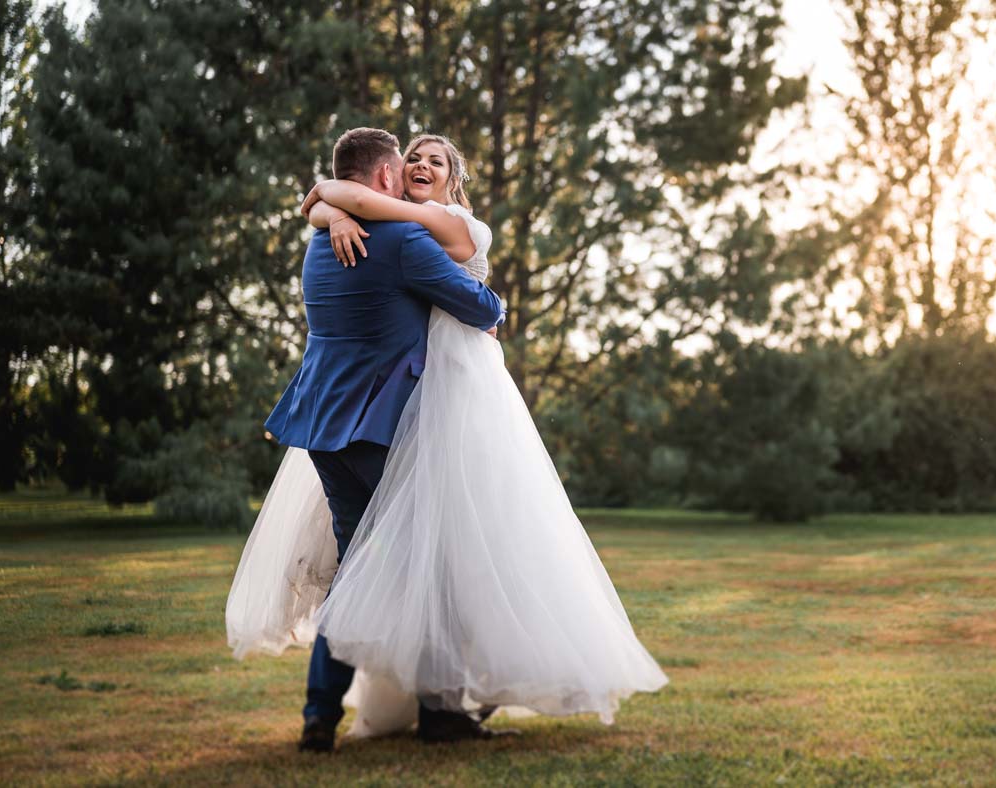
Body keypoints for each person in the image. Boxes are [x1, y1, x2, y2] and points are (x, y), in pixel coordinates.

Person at [226, 131, 667, 754]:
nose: (418, 166)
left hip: (322, 425)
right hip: (383, 426)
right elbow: (479, 307)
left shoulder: (322, 240)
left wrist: (327, 207)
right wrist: (496, 306)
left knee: (354, 569)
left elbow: (329, 204)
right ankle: (439, 714)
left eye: (433, 160)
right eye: (409, 159)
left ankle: (320, 717)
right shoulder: (405, 240)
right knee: (437, 564)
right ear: (387, 177)